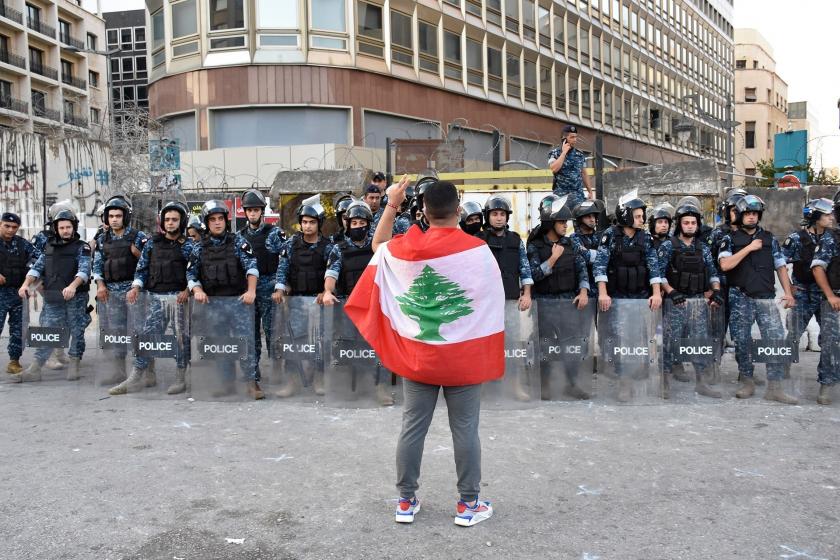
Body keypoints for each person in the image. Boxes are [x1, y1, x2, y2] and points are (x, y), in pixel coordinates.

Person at [363, 176, 498, 527]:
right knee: (465, 429)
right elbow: (486, 304)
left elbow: (377, 245)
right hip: (463, 359)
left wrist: (392, 202)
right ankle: (468, 505)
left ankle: (405, 502)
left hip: (419, 357)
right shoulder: (478, 250)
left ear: (423, 209)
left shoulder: (408, 247)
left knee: (413, 427)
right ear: (458, 209)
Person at [718, 195, 797, 404]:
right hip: (740, 297)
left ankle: (775, 386)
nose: (751, 217)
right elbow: (725, 265)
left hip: (766, 298)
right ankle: (747, 380)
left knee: (775, 340)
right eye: (747, 214)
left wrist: (788, 293)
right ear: (741, 216)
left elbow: (780, 267)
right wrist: (750, 248)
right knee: (742, 342)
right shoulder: (730, 239)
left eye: (754, 214)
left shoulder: (770, 239)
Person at [114, 201, 194, 395]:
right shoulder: (152, 243)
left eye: (174, 220)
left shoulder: (189, 246)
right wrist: (135, 287)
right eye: (167, 219)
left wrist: (187, 290)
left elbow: (196, 272)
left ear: (181, 221)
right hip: (156, 298)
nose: (170, 223)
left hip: (178, 300)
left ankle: (180, 377)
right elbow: (142, 269)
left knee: (181, 339)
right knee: (148, 337)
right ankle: (136, 376)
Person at [187, 200, 262, 400]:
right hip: (213, 305)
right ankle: (226, 382)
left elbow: (252, 267)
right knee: (221, 344)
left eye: (221, 219)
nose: (218, 223)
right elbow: (191, 275)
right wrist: (197, 289)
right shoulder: (199, 247)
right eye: (213, 219)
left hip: (238, 302)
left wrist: (251, 291)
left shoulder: (238, 242)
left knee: (244, 342)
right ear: (206, 222)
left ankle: (251, 382)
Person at [593, 191, 663, 402]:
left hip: (640, 298)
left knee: (639, 338)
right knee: (619, 340)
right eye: (639, 216)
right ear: (626, 216)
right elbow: (600, 265)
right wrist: (603, 293)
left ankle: (636, 377)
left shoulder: (646, 237)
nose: (643, 219)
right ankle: (624, 381)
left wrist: (656, 293)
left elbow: (653, 266)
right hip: (617, 298)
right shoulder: (610, 236)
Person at [322, 201, 394, 406]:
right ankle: (348, 386)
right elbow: (331, 273)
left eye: (361, 222)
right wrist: (327, 291)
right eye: (354, 223)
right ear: (348, 225)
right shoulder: (339, 248)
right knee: (347, 347)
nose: (358, 226)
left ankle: (380, 387)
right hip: (348, 305)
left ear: (368, 224)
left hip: (373, 304)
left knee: (377, 347)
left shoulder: (377, 247)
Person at [17, 208, 92, 382]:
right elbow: (37, 268)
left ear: (74, 227)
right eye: (62, 228)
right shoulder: (49, 247)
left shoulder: (82, 247)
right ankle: (36, 368)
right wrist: (26, 284)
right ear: (56, 229)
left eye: (69, 227)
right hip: (53, 296)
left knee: (77, 329)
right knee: (48, 330)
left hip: (76, 297)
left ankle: (74, 363)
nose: (66, 230)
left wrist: (73, 286)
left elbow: (84, 269)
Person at [527, 195, 591, 399]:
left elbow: (582, 270)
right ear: (550, 223)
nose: (565, 225)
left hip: (567, 303)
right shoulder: (535, 246)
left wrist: (583, 291)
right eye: (562, 221)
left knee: (571, 345)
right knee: (544, 344)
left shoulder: (570, 244)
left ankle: (571, 383)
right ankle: (544, 383)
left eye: (566, 222)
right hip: (544, 303)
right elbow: (533, 275)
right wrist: (553, 259)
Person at [657, 203, 723, 398]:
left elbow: (712, 272)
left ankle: (701, 382)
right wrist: (670, 291)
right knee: (670, 342)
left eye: (693, 222)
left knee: (700, 342)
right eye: (686, 222)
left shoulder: (702, 247)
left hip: (697, 304)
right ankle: (664, 382)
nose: (690, 226)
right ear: (679, 224)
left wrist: (716, 291)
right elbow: (658, 274)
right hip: (676, 303)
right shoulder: (668, 246)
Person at [272, 200, 333, 397]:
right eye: (304, 222)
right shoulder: (291, 244)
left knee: (320, 342)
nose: (307, 226)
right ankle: (292, 381)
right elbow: (282, 269)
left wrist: (326, 291)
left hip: (319, 303)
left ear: (319, 223)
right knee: (294, 342)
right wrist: (281, 289)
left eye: (311, 222)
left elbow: (333, 272)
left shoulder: (328, 247)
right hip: (297, 302)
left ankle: (319, 378)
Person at [92, 196, 147, 387]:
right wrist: (100, 285)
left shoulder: (138, 237)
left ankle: (145, 372)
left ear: (125, 217)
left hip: (134, 292)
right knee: (117, 333)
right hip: (111, 293)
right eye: (111, 216)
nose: (114, 219)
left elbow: (147, 264)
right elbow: (97, 265)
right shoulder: (102, 239)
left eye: (118, 215)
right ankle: (119, 372)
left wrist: (137, 254)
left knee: (139, 332)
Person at [238, 189, 285, 383]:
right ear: (245, 212)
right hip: (249, 290)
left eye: (256, 210)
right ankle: (252, 371)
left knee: (272, 332)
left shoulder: (274, 233)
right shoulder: (239, 237)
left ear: (262, 211)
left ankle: (276, 367)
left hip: (269, 287)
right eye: (249, 210)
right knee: (250, 333)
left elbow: (284, 259)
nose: (253, 214)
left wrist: (281, 285)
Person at [783, 198, 834, 354]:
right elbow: (780, 263)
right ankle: (780, 371)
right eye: (826, 215)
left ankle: (829, 375)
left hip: (825, 294)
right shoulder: (796, 238)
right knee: (793, 334)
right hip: (803, 293)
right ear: (815, 217)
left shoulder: (833, 238)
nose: (831, 217)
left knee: (831, 336)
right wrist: (789, 287)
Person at [32, 200, 73, 371]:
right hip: (48, 285)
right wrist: (38, 284)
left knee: (65, 320)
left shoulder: (71, 237)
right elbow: (34, 261)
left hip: (66, 286)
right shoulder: (43, 237)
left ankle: (59, 352)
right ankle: (46, 357)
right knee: (48, 321)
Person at [809, 194, 840, 405]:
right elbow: (818, 267)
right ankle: (827, 384)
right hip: (835, 300)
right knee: (831, 343)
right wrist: (830, 295)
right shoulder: (832, 238)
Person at [476, 195, 533, 311]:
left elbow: (525, 269)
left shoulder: (515, 239)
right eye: (494, 214)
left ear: (507, 217)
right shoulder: (478, 240)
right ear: (488, 216)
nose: (499, 218)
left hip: (511, 299)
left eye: (502, 214)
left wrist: (527, 294)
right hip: (485, 302)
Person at [0, 213, 38, 376]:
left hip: (18, 293)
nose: (10, 230)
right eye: (6, 226)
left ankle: (14, 361)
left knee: (19, 328)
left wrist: (32, 280)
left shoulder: (23, 244)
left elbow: (39, 261)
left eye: (14, 227)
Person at [548, 125, 592, 206]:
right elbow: (554, 169)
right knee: (562, 218)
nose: (575, 140)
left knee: (580, 217)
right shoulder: (554, 153)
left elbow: (584, 173)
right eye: (572, 137)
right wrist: (564, 152)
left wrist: (590, 191)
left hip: (577, 195)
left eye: (576, 137)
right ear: (564, 138)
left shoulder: (579, 154)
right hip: (561, 196)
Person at [571, 200, 602, 297]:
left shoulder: (601, 236)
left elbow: (610, 256)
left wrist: (589, 253)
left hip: (601, 289)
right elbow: (585, 256)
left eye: (593, 216)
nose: (592, 219)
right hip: (583, 291)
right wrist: (601, 255)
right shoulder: (574, 238)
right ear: (580, 219)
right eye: (588, 216)